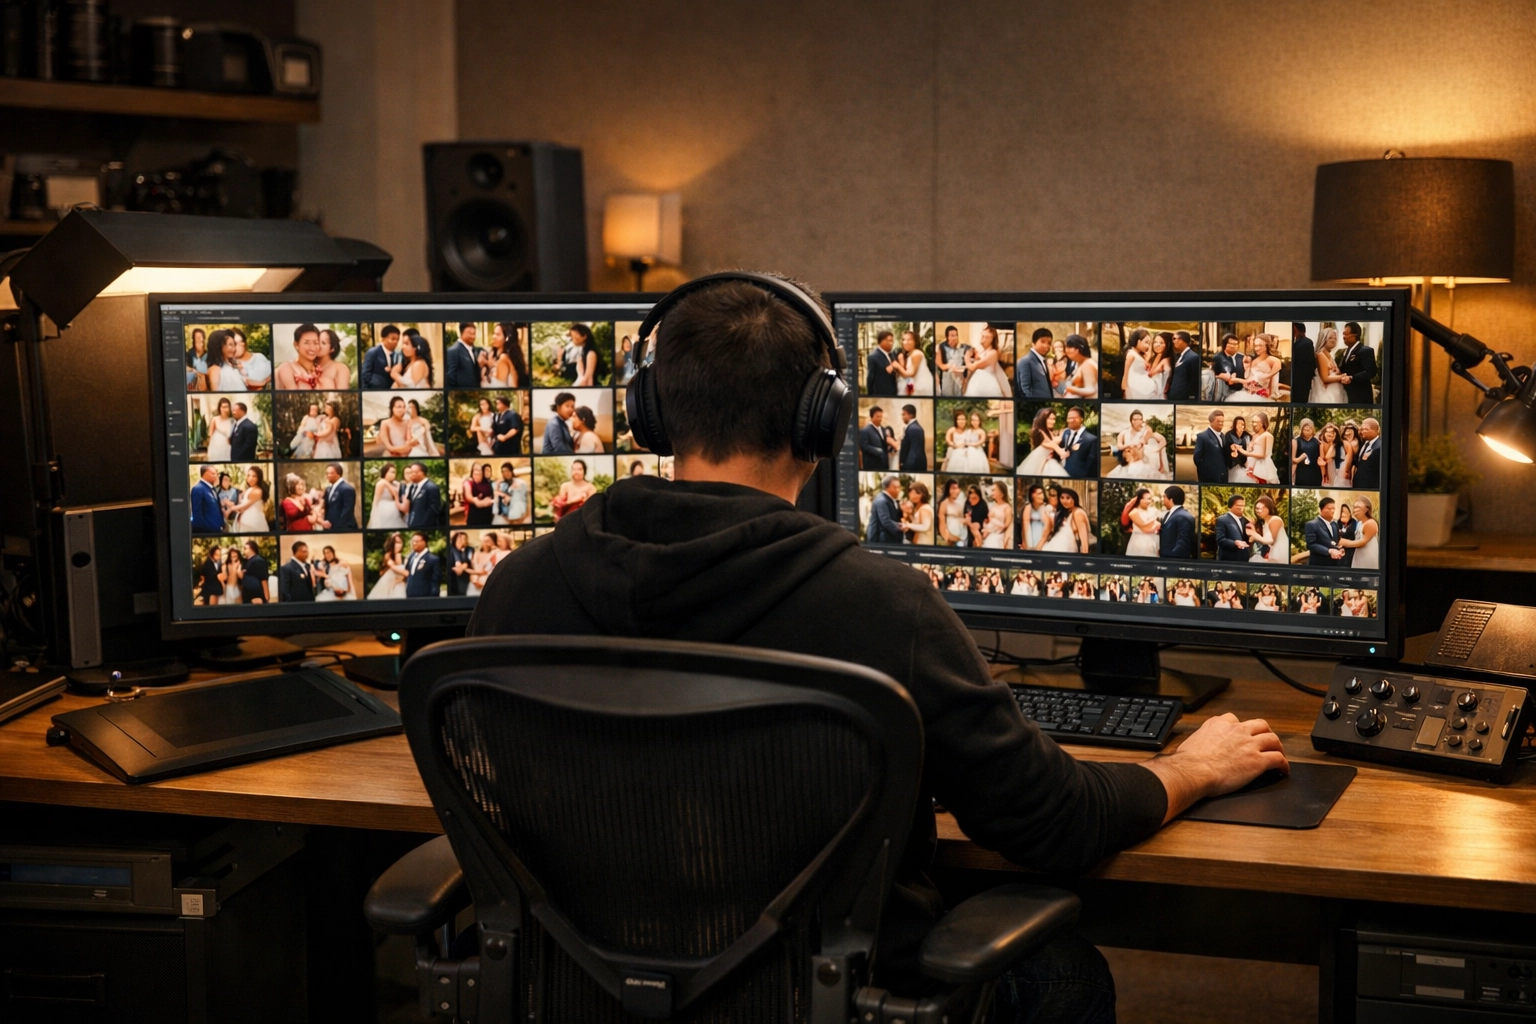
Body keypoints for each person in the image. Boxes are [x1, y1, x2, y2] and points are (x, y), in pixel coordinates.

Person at [465, 275, 1286, 1012]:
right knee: (1067, 973)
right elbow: (1055, 825)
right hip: (833, 995)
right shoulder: (881, 605)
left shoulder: (521, 586)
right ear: (819, 421)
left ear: (650, 410)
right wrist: (1192, 766)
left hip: (586, 991)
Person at [278, 323, 349, 390]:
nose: (316, 346)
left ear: (332, 349)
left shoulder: (340, 368)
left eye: (321, 343)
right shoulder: (293, 367)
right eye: (319, 342)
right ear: (296, 345)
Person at [1017, 408, 1068, 476]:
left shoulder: (1051, 432)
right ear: (1043, 419)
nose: (1052, 421)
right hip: (1038, 462)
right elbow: (1051, 444)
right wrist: (1061, 450)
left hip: (1049, 460)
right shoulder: (1038, 431)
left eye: (1053, 419)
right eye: (1049, 419)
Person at [963, 325, 1009, 397]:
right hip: (978, 383)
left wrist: (966, 357)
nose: (983, 339)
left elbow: (972, 367)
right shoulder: (984, 352)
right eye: (982, 336)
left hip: (987, 385)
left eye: (986, 337)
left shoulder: (993, 353)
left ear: (992, 340)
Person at [1235, 411, 1280, 484]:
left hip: (1262, 467)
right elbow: (1251, 450)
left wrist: (1244, 452)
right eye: (1252, 422)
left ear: (1263, 423)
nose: (1253, 424)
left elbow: (1263, 455)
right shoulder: (1253, 436)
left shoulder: (1268, 436)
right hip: (1250, 466)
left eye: (1256, 422)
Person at [1338, 322, 1378, 405]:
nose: (1344, 337)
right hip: (1347, 394)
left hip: (1360, 396)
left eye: (1346, 333)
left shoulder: (1365, 351)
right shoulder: (1345, 351)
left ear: (1355, 334)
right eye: (1343, 334)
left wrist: (1352, 378)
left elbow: (1371, 371)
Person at [1041, 487, 1091, 552]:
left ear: (1074, 499)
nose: (1064, 501)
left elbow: (1085, 545)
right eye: (1062, 498)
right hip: (1054, 547)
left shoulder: (1078, 513)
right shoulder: (1065, 512)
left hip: (1065, 550)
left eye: (1068, 498)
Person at [1309, 327, 1349, 404]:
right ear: (1323, 339)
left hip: (1334, 392)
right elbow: (1325, 378)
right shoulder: (1320, 354)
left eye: (1335, 338)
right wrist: (1342, 376)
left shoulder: (1329, 355)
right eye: (1330, 338)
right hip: (1326, 393)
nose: (1333, 340)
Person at [1057, 405, 1098, 479]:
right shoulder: (1066, 432)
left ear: (1081, 419)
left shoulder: (1092, 439)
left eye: (1074, 418)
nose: (1070, 420)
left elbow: (1091, 465)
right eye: (1069, 418)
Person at [1247, 494, 1289, 564]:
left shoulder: (1275, 519)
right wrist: (1254, 534)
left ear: (1269, 508)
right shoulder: (1265, 523)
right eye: (1257, 508)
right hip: (1273, 555)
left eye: (1263, 508)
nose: (1260, 511)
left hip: (1281, 555)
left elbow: (1271, 541)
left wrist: (1254, 534)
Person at [1192, 409, 1230, 483]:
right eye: (1218, 421)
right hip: (1209, 477)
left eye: (1222, 421)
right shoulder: (1202, 436)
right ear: (1211, 421)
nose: (1221, 423)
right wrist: (1207, 472)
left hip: (1223, 476)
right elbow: (1197, 458)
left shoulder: (1223, 436)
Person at [368, 533, 409, 599]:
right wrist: (406, 573)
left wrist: (397, 555)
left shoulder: (401, 556)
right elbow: (394, 567)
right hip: (387, 584)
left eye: (400, 543)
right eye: (396, 543)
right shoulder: (388, 555)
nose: (398, 545)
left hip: (398, 584)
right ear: (392, 544)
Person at [368, 464, 410, 529]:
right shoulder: (381, 483)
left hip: (395, 508)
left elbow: (401, 493)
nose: (393, 474)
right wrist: (374, 515)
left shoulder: (396, 483)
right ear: (385, 472)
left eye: (394, 472)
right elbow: (376, 500)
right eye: (391, 472)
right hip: (383, 508)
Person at [1305, 498, 1345, 565]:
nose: (1332, 511)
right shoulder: (1312, 524)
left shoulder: (1334, 524)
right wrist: (1329, 551)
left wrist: (1339, 549)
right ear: (1321, 509)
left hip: (1334, 564)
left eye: (1333, 508)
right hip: (1319, 564)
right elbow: (1311, 545)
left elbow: (1336, 542)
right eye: (1329, 508)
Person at [1342, 497, 1380, 569]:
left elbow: (1362, 543)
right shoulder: (1360, 523)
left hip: (1368, 559)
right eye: (1354, 507)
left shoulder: (1371, 523)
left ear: (1366, 509)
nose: (1354, 510)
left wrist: (1344, 542)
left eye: (1357, 507)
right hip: (1359, 557)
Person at [1159, 486, 1196, 559]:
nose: (1162, 500)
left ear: (1171, 499)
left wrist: (1171, 555)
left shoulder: (1183, 516)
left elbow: (1183, 542)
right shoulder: (1168, 514)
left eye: (1164, 497)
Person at [1016, 327, 1054, 399]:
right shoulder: (1026, 361)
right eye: (1042, 341)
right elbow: (1025, 389)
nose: (1046, 346)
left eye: (1049, 343)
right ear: (1033, 343)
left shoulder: (1043, 360)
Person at [865, 475, 904, 544]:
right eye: (896, 487)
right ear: (887, 488)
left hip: (887, 538)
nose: (899, 490)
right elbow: (886, 521)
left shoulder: (890, 499)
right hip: (880, 539)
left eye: (899, 487)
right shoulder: (882, 500)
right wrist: (900, 527)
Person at [893, 330, 934, 395]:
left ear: (915, 341)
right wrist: (909, 390)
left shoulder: (916, 353)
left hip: (923, 389)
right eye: (904, 340)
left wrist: (897, 366)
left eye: (909, 340)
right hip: (916, 389)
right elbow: (909, 379)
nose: (906, 342)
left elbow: (910, 374)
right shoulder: (909, 355)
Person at [404, 462, 444, 529]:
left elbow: (434, 510)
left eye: (412, 472)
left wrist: (422, 524)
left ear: (421, 473)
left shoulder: (431, 488)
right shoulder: (412, 487)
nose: (410, 475)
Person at [1124, 488, 1163, 557]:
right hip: (1140, 542)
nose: (1149, 501)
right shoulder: (1134, 512)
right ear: (1139, 499)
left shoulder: (1153, 510)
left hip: (1153, 541)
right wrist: (1155, 521)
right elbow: (1144, 528)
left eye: (1150, 499)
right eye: (1146, 499)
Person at [489, 322, 529, 388]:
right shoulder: (512, 355)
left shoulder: (503, 358)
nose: (493, 337)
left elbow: (499, 385)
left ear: (507, 338)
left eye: (498, 334)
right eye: (494, 333)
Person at [362, 324, 403, 389]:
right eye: (393, 339)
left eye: (397, 339)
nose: (395, 342)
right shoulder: (373, 352)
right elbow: (365, 375)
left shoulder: (398, 355)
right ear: (383, 339)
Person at [1215, 494, 1252, 561]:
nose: (1241, 508)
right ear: (1230, 506)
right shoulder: (1222, 520)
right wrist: (1235, 543)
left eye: (1243, 505)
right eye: (1238, 505)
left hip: (1244, 559)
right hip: (1229, 559)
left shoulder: (1246, 520)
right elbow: (1220, 540)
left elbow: (1248, 540)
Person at [404, 532, 441, 597]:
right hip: (410, 595)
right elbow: (408, 573)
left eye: (416, 541)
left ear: (424, 542)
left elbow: (435, 581)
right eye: (412, 541)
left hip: (425, 596)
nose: (413, 543)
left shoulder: (433, 559)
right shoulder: (411, 557)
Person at [322, 463, 357, 531]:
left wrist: (338, 528)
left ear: (338, 474)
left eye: (331, 473)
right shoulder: (328, 489)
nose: (328, 476)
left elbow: (347, 511)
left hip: (343, 527)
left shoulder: (347, 489)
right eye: (327, 473)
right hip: (329, 527)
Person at [1166, 331, 1200, 400]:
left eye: (1175, 339)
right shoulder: (1179, 356)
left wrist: (1191, 398)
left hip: (1184, 399)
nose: (1173, 342)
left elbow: (1194, 381)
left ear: (1181, 340)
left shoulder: (1193, 357)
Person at [1212, 333, 1246, 402]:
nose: (1233, 346)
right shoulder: (1217, 358)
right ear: (1224, 344)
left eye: (1236, 344)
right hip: (1224, 392)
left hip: (1242, 391)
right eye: (1231, 344)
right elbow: (1213, 374)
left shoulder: (1242, 357)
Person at [446, 322, 481, 389]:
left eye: (474, 333)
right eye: (470, 333)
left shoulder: (475, 349)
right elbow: (451, 377)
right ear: (462, 333)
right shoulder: (453, 351)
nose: (473, 336)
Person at [865, 329, 899, 396]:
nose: (891, 343)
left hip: (894, 393)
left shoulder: (892, 354)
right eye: (889, 341)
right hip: (881, 394)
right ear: (881, 341)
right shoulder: (873, 356)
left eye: (892, 341)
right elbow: (870, 377)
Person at [1352, 417, 1383, 490]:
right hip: (1358, 487)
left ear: (1375, 430)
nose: (1362, 431)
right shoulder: (1363, 443)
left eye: (1365, 429)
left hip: (1370, 488)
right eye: (1361, 429)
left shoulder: (1380, 446)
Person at [980, 481, 1012, 548]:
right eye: (992, 490)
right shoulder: (993, 506)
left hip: (999, 537)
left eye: (994, 490)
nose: (992, 493)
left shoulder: (1007, 507)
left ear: (1002, 493)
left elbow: (1006, 526)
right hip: (989, 535)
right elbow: (989, 522)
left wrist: (993, 519)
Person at [859, 406, 892, 471]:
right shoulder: (865, 430)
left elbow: (885, 445)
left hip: (884, 464)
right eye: (878, 416)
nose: (880, 419)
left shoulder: (883, 429)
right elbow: (864, 446)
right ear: (871, 417)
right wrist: (878, 451)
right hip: (872, 464)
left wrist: (891, 447)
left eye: (881, 416)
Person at [1290, 323, 1315, 406]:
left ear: (1295, 328)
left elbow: (1310, 364)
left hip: (1301, 384)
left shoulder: (1306, 343)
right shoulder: (1297, 342)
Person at [936, 479, 967, 547]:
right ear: (948, 489)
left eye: (957, 488)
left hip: (964, 537)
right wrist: (947, 537)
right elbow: (942, 523)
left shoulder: (962, 501)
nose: (955, 491)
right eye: (953, 488)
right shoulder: (944, 503)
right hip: (951, 539)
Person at [1292, 418, 1322, 487]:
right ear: (1301, 430)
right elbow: (1293, 459)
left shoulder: (1317, 442)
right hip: (1301, 471)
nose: (1307, 432)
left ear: (1313, 429)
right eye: (1305, 430)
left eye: (1309, 430)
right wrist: (1301, 457)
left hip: (1315, 472)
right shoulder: (1296, 441)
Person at [1021, 485, 1052, 549]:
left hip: (1043, 542)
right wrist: (1026, 545)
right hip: (1030, 542)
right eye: (1038, 494)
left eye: (1042, 493)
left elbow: (1047, 531)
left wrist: (1038, 548)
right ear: (1032, 496)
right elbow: (1026, 528)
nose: (1041, 496)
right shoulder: (1028, 507)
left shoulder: (1047, 508)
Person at [1223, 414, 1252, 484]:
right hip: (1232, 464)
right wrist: (1231, 450)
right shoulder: (1229, 435)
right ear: (1234, 425)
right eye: (1238, 423)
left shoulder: (1247, 436)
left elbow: (1250, 449)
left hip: (1244, 464)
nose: (1240, 425)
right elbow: (1225, 448)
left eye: (1242, 424)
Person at [205, 397, 235, 462]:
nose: (225, 409)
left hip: (227, 447)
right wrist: (209, 449)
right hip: (215, 447)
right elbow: (210, 435)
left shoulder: (232, 420)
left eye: (227, 407)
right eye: (223, 407)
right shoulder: (215, 419)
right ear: (219, 408)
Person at [898, 404, 926, 472]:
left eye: (904, 414)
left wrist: (907, 466)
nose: (902, 417)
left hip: (912, 466)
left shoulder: (914, 428)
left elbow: (915, 451)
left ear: (911, 415)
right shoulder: (912, 427)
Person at [446, 531, 474, 597]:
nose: (462, 540)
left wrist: (464, 566)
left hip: (465, 576)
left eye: (464, 538)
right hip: (453, 577)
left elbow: (469, 561)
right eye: (459, 538)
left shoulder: (470, 549)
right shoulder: (451, 549)